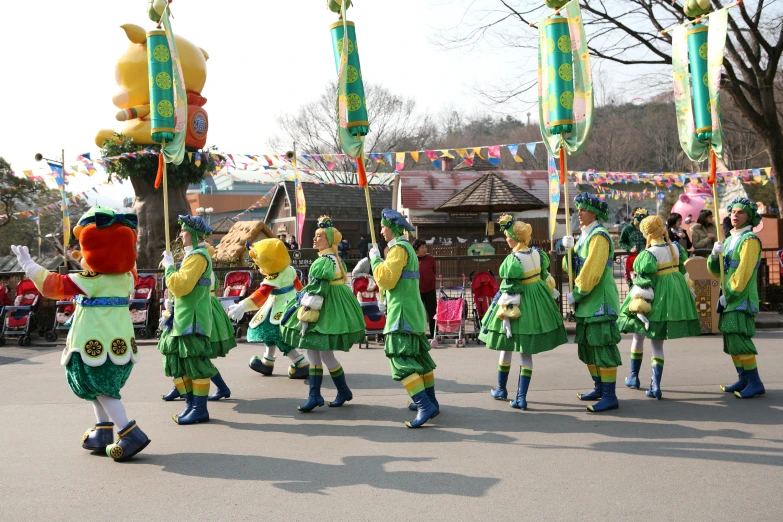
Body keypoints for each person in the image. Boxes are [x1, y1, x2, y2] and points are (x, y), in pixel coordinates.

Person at [11, 206, 150, 461]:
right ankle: (103, 430)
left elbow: (54, 285)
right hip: (120, 344)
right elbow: (108, 262)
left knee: (101, 388)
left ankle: (130, 433)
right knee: (97, 388)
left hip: (92, 343)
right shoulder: (127, 277)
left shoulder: (90, 280)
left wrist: (28, 265)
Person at [479, 215, 567, 410]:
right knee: (525, 353)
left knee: (506, 345)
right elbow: (545, 277)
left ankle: (503, 389)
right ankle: (520, 397)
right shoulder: (537, 254)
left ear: (515, 238)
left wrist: (505, 315)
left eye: (508, 236)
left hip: (519, 303)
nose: (506, 239)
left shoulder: (513, 260)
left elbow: (509, 289)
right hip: (537, 302)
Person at [280, 216, 365, 412]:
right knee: (321, 354)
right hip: (332, 306)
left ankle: (320, 395)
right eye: (315, 236)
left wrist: (304, 308)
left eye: (319, 236)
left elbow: (317, 290)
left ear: (328, 240)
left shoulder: (324, 261)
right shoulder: (334, 258)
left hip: (324, 309)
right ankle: (332, 392)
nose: (314, 239)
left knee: (319, 352)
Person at [616, 215, 701, 398]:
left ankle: (633, 377)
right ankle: (655, 386)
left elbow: (644, 282)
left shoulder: (648, 254)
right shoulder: (675, 248)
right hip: (673, 294)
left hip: (655, 296)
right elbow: (683, 271)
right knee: (657, 344)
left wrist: (639, 306)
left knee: (638, 336)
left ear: (647, 232)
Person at [371, 209, 439, 428]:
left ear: (391, 228)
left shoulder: (399, 249)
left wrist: (374, 261)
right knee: (419, 358)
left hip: (401, 314)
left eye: (383, 227)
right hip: (413, 310)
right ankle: (431, 401)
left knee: (399, 360)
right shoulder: (407, 247)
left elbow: (386, 279)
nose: (381, 231)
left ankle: (424, 405)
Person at [157, 215, 224, 425]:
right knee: (176, 360)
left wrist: (169, 267)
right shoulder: (192, 255)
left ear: (194, 234)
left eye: (185, 231)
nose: (181, 234)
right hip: (182, 317)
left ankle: (199, 408)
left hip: (192, 320)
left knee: (196, 364)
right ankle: (190, 404)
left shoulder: (198, 256)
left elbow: (180, 286)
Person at [562, 193, 623, 412]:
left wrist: (577, 294)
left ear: (594, 213)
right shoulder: (584, 236)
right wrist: (567, 251)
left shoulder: (599, 236)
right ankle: (599, 387)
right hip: (587, 302)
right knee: (588, 346)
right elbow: (571, 268)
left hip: (598, 301)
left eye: (583, 209)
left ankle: (609, 395)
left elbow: (591, 272)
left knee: (602, 346)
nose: (578, 212)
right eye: (577, 208)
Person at [160, 239, 237, 402]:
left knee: (196, 354)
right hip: (187, 311)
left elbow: (184, 287)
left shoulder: (200, 261)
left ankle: (211, 393)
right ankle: (182, 388)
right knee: (177, 351)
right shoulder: (194, 261)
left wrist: (170, 268)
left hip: (201, 311)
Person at [228, 239, 309, 379]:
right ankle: (267, 361)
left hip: (280, 309)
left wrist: (242, 305)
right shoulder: (289, 269)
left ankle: (300, 362)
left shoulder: (274, 277)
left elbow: (260, 295)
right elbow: (299, 287)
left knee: (278, 336)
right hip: (290, 304)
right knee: (270, 334)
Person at [709, 198, 765, 398]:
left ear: (749, 216)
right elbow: (718, 272)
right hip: (728, 297)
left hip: (741, 298)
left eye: (740, 212)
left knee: (740, 339)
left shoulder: (749, 240)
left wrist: (729, 295)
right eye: (733, 211)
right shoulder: (731, 238)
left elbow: (743, 273)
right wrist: (714, 256)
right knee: (731, 340)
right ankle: (743, 379)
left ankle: (755, 382)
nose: (734, 215)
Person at [413, 239, 437, 338]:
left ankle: (434, 334)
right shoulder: (413, 259)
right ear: (416, 249)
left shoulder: (430, 258)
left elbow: (434, 272)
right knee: (417, 314)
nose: (424, 249)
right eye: (422, 247)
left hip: (430, 290)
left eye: (425, 247)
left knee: (432, 314)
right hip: (417, 291)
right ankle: (418, 334)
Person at [619, 208, 649, 284]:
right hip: (632, 258)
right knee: (634, 280)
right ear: (633, 216)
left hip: (645, 257)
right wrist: (630, 248)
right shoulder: (627, 229)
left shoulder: (646, 228)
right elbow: (621, 242)